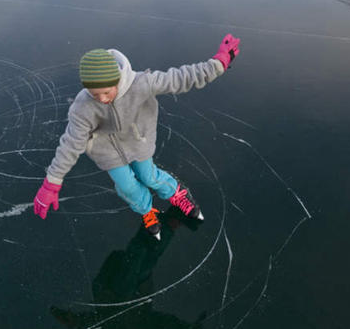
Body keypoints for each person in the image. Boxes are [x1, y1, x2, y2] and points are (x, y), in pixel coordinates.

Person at [33, 35, 241, 239]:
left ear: (117, 80)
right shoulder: (83, 106)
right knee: (126, 186)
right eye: (95, 94)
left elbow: (179, 78)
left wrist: (218, 64)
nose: (102, 99)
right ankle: (146, 210)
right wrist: (52, 182)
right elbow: (70, 144)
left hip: (138, 142)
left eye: (106, 92)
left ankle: (176, 194)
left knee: (148, 176)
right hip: (107, 152)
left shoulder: (141, 83)